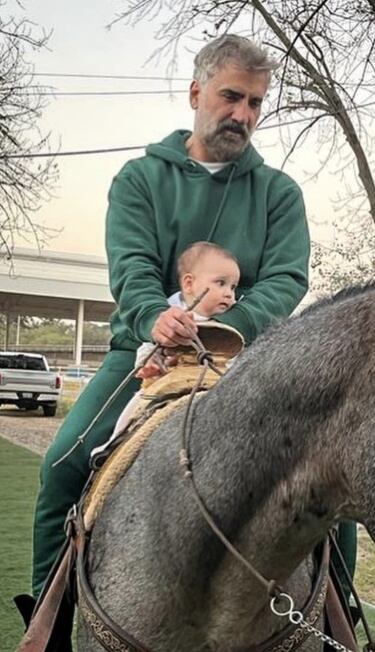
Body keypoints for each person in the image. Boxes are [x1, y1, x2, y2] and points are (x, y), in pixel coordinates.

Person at [27, 34, 312, 607]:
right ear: (195, 92)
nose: (243, 114)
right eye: (232, 96)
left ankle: (338, 625)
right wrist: (155, 316)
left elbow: (286, 281)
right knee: (63, 469)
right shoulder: (139, 180)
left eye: (256, 103)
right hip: (142, 358)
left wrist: (225, 330)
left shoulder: (279, 193)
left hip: (246, 361)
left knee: (324, 489)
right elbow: (130, 266)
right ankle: (49, 620)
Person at [108, 240, 241, 439]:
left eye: (233, 287)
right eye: (220, 283)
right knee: (134, 412)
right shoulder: (171, 313)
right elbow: (149, 347)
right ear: (189, 283)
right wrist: (150, 365)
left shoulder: (231, 326)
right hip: (168, 384)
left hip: (214, 387)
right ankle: (111, 447)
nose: (229, 294)